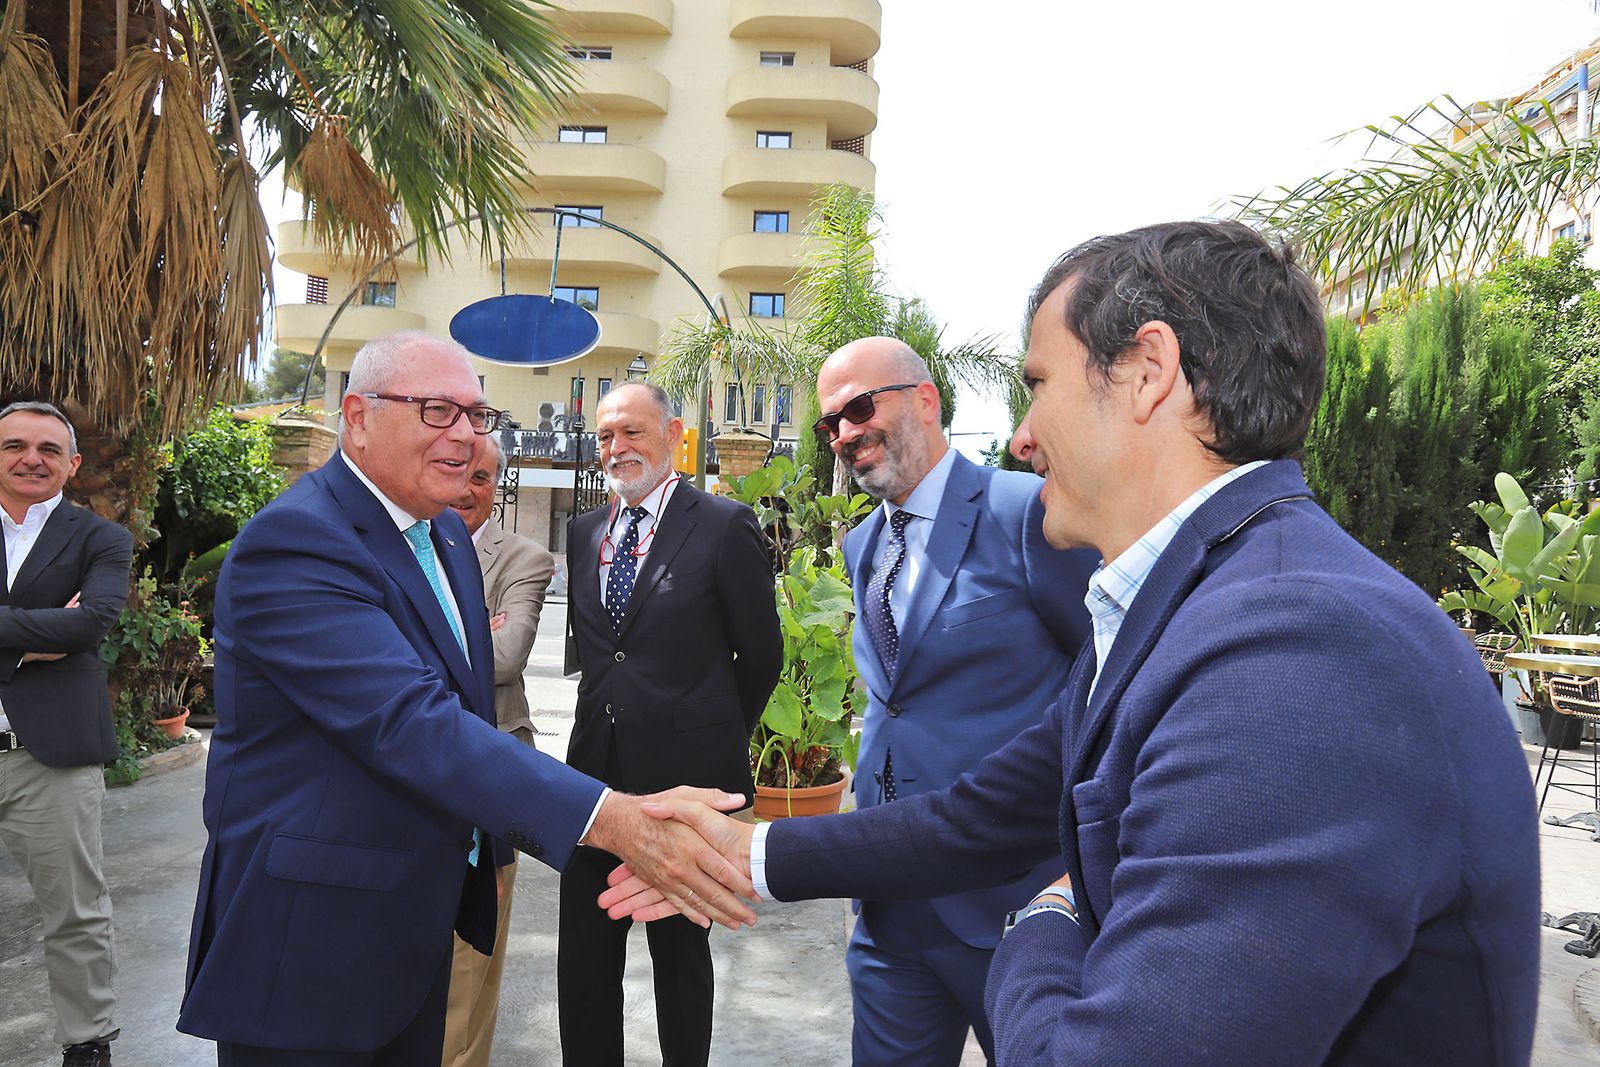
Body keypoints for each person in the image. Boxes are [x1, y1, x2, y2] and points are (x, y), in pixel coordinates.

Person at [604, 221, 1543, 1066]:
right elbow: (987, 809)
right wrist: (746, 853)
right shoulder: (1188, 603)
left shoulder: (1300, 655)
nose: (1018, 437)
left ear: (1146, 371)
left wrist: (1051, 911)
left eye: (1039, 384)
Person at [177, 332, 757, 1066]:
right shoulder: (297, 541)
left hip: (419, 927)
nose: (463, 434)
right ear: (357, 416)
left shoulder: (445, 536)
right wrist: (616, 819)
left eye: (475, 415)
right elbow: (412, 723)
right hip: (315, 942)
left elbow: (470, 708)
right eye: (436, 411)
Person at [810, 336, 1095, 1065]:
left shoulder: (1028, 511)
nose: (844, 434)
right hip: (888, 907)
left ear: (926, 400)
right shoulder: (861, 545)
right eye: (829, 425)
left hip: (1015, 903)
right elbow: (894, 704)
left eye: (859, 407)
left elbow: (1103, 688)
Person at [558, 381, 782, 1067]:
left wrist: (712, 741)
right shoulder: (582, 532)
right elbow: (602, 658)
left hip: (686, 793)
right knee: (583, 964)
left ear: (674, 434)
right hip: (593, 783)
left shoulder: (721, 524)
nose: (616, 448)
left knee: (681, 960)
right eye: (605, 436)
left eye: (631, 431)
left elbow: (762, 656)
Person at [0, 401, 133, 1067]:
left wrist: (57, 628)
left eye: (49, 449)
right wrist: (32, 633)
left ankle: (88, 1045)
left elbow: (89, 626)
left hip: (49, 756)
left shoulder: (100, 538)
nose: (32, 458)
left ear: (72, 464)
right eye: (16, 444)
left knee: (76, 909)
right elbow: (62, 627)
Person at [439, 435, 555, 1067]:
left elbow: (506, 661)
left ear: (497, 486)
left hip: (492, 777)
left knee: (472, 958)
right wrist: (478, 628)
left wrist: (424, 639)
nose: (466, 487)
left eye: (482, 476)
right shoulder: (408, 547)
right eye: (457, 469)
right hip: (412, 777)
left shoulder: (525, 558)